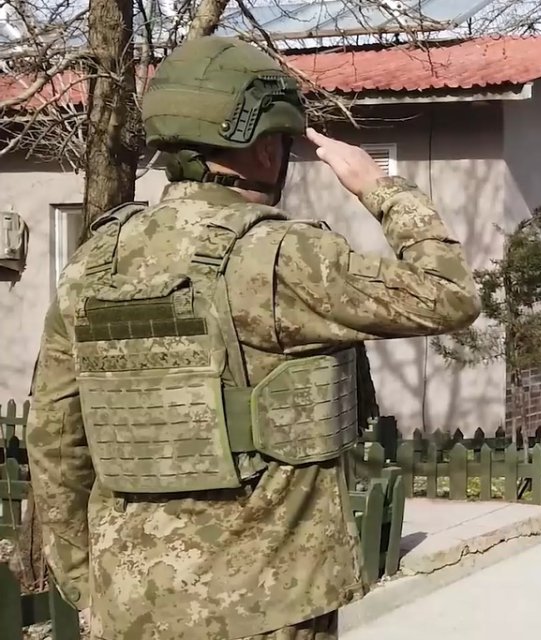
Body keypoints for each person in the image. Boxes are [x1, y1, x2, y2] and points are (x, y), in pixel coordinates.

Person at [24, 35, 482, 639]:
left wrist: (87, 581)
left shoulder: (95, 259)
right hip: (268, 601)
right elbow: (449, 293)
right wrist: (381, 188)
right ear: (267, 149)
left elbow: (55, 436)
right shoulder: (282, 256)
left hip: (128, 601)